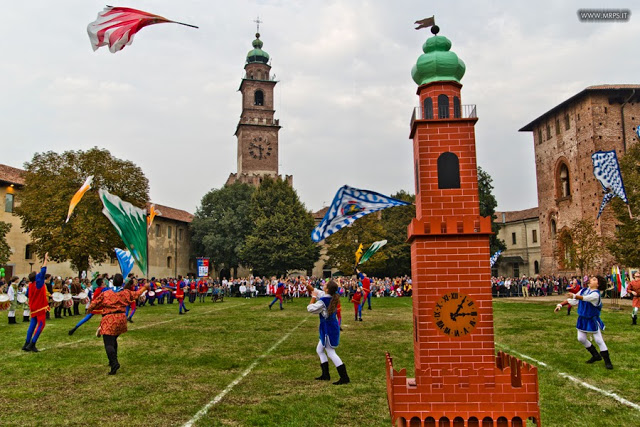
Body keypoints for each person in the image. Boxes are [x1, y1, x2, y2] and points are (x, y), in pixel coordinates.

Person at [86, 274, 149, 375]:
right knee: (113, 339)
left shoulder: (106, 293)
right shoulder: (126, 293)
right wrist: (145, 287)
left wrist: (89, 309)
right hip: (121, 319)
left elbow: (95, 302)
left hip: (110, 319)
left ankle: (114, 363)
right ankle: (112, 361)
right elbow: (137, 294)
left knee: (108, 343)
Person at [554, 275, 613, 369]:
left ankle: (608, 362)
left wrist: (574, 295)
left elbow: (585, 298)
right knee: (581, 338)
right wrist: (560, 305)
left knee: (598, 340)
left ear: (598, 284)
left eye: (594, 279)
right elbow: (573, 300)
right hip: (582, 319)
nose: (590, 280)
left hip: (592, 319)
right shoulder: (584, 290)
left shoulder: (596, 294)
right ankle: (596, 355)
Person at [306, 280, 350, 385]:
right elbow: (317, 291)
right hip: (329, 327)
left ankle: (344, 377)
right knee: (319, 350)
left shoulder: (323, 301)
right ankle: (325, 374)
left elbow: (310, 309)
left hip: (328, 329)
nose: (323, 286)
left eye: (324, 285)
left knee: (331, 352)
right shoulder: (331, 297)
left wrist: (313, 298)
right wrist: (306, 284)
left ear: (327, 289)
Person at [22, 253, 49, 352]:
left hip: (33, 306)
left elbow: (27, 295)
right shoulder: (39, 283)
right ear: (37, 277)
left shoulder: (30, 285)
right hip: (40, 307)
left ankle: (26, 343)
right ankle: (32, 344)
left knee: (32, 324)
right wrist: (45, 259)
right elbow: (43, 270)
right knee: (41, 324)